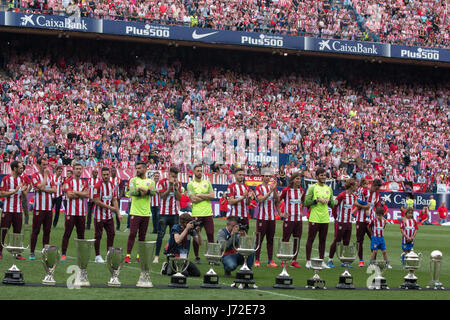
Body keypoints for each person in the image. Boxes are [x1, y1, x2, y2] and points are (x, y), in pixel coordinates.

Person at [304, 168, 335, 269]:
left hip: (325, 218)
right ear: (317, 176)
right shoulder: (312, 188)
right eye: (321, 175)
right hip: (314, 218)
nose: (323, 177)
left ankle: (321, 261)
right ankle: (308, 261)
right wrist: (317, 200)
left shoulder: (328, 188)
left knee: (323, 240)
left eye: (324, 175)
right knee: (310, 239)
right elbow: (306, 202)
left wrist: (328, 201)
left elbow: (333, 205)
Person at [124, 161, 156, 263]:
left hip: (146, 213)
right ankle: (128, 255)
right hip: (135, 212)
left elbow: (153, 193)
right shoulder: (133, 180)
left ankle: (139, 256)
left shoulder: (151, 181)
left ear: (145, 169)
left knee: (142, 235)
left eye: (139, 168)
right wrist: (146, 192)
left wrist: (142, 189)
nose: (137, 170)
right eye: (136, 168)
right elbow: (133, 192)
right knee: (132, 234)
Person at [60, 163, 89, 261]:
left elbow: (87, 195)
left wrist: (76, 192)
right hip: (70, 213)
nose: (78, 170)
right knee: (67, 234)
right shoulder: (68, 181)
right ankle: (63, 254)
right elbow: (70, 195)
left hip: (81, 213)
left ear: (82, 170)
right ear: (73, 170)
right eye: (77, 169)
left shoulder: (84, 182)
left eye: (80, 169)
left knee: (81, 235)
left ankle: (81, 255)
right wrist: (81, 194)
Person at [187, 164, 215, 264]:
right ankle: (197, 256)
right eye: (197, 171)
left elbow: (212, 196)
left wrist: (201, 195)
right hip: (197, 213)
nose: (199, 172)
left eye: (201, 170)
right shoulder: (190, 184)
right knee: (195, 235)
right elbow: (193, 199)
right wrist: (205, 196)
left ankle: (211, 257)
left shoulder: (207, 182)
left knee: (210, 234)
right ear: (194, 172)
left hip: (208, 213)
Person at [0, 161, 28, 260]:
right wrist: (15, 191)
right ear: (15, 168)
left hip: (18, 210)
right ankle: (0, 251)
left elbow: (24, 196)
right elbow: (2, 194)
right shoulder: (6, 179)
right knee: (3, 231)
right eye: (20, 168)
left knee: (17, 232)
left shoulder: (22, 179)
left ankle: (17, 253)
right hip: (7, 210)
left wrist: (24, 191)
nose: (22, 170)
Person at [29, 158, 56, 260]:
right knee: (35, 231)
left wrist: (43, 188)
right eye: (43, 165)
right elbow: (39, 186)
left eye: (46, 165)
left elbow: (54, 190)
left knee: (47, 231)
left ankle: (45, 252)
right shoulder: (35, 176)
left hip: (48, 209)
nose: (46, 167)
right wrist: (44, 178)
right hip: (39, 208)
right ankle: (32, 252)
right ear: (38, 165)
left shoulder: (50, 176)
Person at [93, 167, 121, 263]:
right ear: (101, 175)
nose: (105, 176)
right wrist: (110, 208)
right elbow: (96, 201)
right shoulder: (97, 186)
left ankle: (109, 255)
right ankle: (97, 255)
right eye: (104, 174)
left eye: (107, 174)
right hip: (99, 216)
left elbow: (114, 199)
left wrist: (118, 213)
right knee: (98, 235)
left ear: (109, 174)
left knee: (111, 234)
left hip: (109, 216)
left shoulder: (113, 185)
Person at [327, 178, 357, 268]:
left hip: (349, 222)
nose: (356, 187)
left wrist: (352, 214)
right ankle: (330, 260)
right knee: (337, 241)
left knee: (346, 242)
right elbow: (334, 206)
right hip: (340, 222)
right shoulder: (341, 195)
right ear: (351, 186)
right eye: (355, 185)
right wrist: (336, 217)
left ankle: (344, 261)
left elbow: (357, 205)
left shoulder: (354, 196)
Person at [153, 166, 181, 263]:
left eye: (176, 177)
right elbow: (163, 197)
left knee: (174, 236)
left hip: (174, 214)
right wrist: (170, 187)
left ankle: (170, 256)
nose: (174, 178)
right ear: (169, 175)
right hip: (163, 214)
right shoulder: (162, 182)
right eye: (173, 176)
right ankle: (156, 256)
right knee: (160, 235)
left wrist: (176, 188)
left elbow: (179, 198)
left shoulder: (178, 183)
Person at [353, 178, 383, 267]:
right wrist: (365, 206)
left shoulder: (378, 196)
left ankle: (373, 261)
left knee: (374, 240)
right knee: (359, 241)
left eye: (379, 189)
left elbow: (378, 208)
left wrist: (381, 218)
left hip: (371, 221)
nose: (378, 190)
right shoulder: (364, 191)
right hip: (360, 219)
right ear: (373, 185)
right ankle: (361, 260)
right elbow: (356, 203)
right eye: (377, 188)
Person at [161, 213, 201, 277]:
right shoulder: (176, 228)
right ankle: (167, 266)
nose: (190, 225)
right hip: (174, 256)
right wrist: (186, 229)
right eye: (188, 223)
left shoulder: (190, 230)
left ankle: (177, 268)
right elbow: (177, 240)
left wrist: (198, 232)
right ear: (184, 223)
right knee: (184, 274)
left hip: (184, 258)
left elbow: (200, 243)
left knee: (196, 273)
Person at [279, 171, 305, 268]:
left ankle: (294, 260)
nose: (299, 180)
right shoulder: (286, 190)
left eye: (300, 178)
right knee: (285, 239)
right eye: (297, 178)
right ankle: (283, 259)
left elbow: (302, 202)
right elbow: (278, 200)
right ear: (293, 180)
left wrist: (301, 211)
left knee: (297, 239)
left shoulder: (302, 190)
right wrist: (281, 213)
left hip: (298, 219)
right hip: (289, 219)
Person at [254, 169, 279, 268]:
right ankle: (257, 260)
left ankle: (270, 260)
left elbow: (277, 200)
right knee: (259, 239)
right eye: (266, 176)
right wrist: (270, 191)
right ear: (262, 177)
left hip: (272, 218)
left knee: (270, 239)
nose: (268, 178)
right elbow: (260, 199)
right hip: (262, 217)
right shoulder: (258, 188)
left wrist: (274, 191)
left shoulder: (272, 187)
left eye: (269, 176)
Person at [110, 167, 124, 232]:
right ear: (110, 172)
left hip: (116, 198)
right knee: (107, 212)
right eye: (112, 171)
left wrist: (120, 195)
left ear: (116, 172)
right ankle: (108, 226)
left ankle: (118, 227)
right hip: (108, 198)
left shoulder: (119, 179)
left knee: (117, 212)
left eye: (114, 171)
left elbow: (122, 188)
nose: (113, 172)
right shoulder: (108, 179)